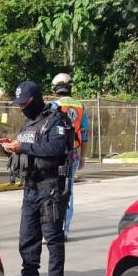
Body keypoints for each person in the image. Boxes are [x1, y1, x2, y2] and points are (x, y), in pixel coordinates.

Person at [2, 81, 73, 276]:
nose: (22, 107)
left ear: (35, 99)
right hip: (30, 188)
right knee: (27, 238)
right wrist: (10, 149)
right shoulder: (28, 125)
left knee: (52, 239)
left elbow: (54, 149)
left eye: (25, 103)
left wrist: (21, 147)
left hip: (50, 188)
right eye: (19, 104)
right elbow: (25, 152)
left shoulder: (57, 121)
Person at [50, 73, 89, 241]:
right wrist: (83, 157)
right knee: (69, 192)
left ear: (55, 88)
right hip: (72, 155)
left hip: (55, 155)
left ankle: (51, 228)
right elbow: (85, 135)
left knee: (52, 190)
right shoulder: (80, 107)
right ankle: (64, 231)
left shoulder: (53, 106)